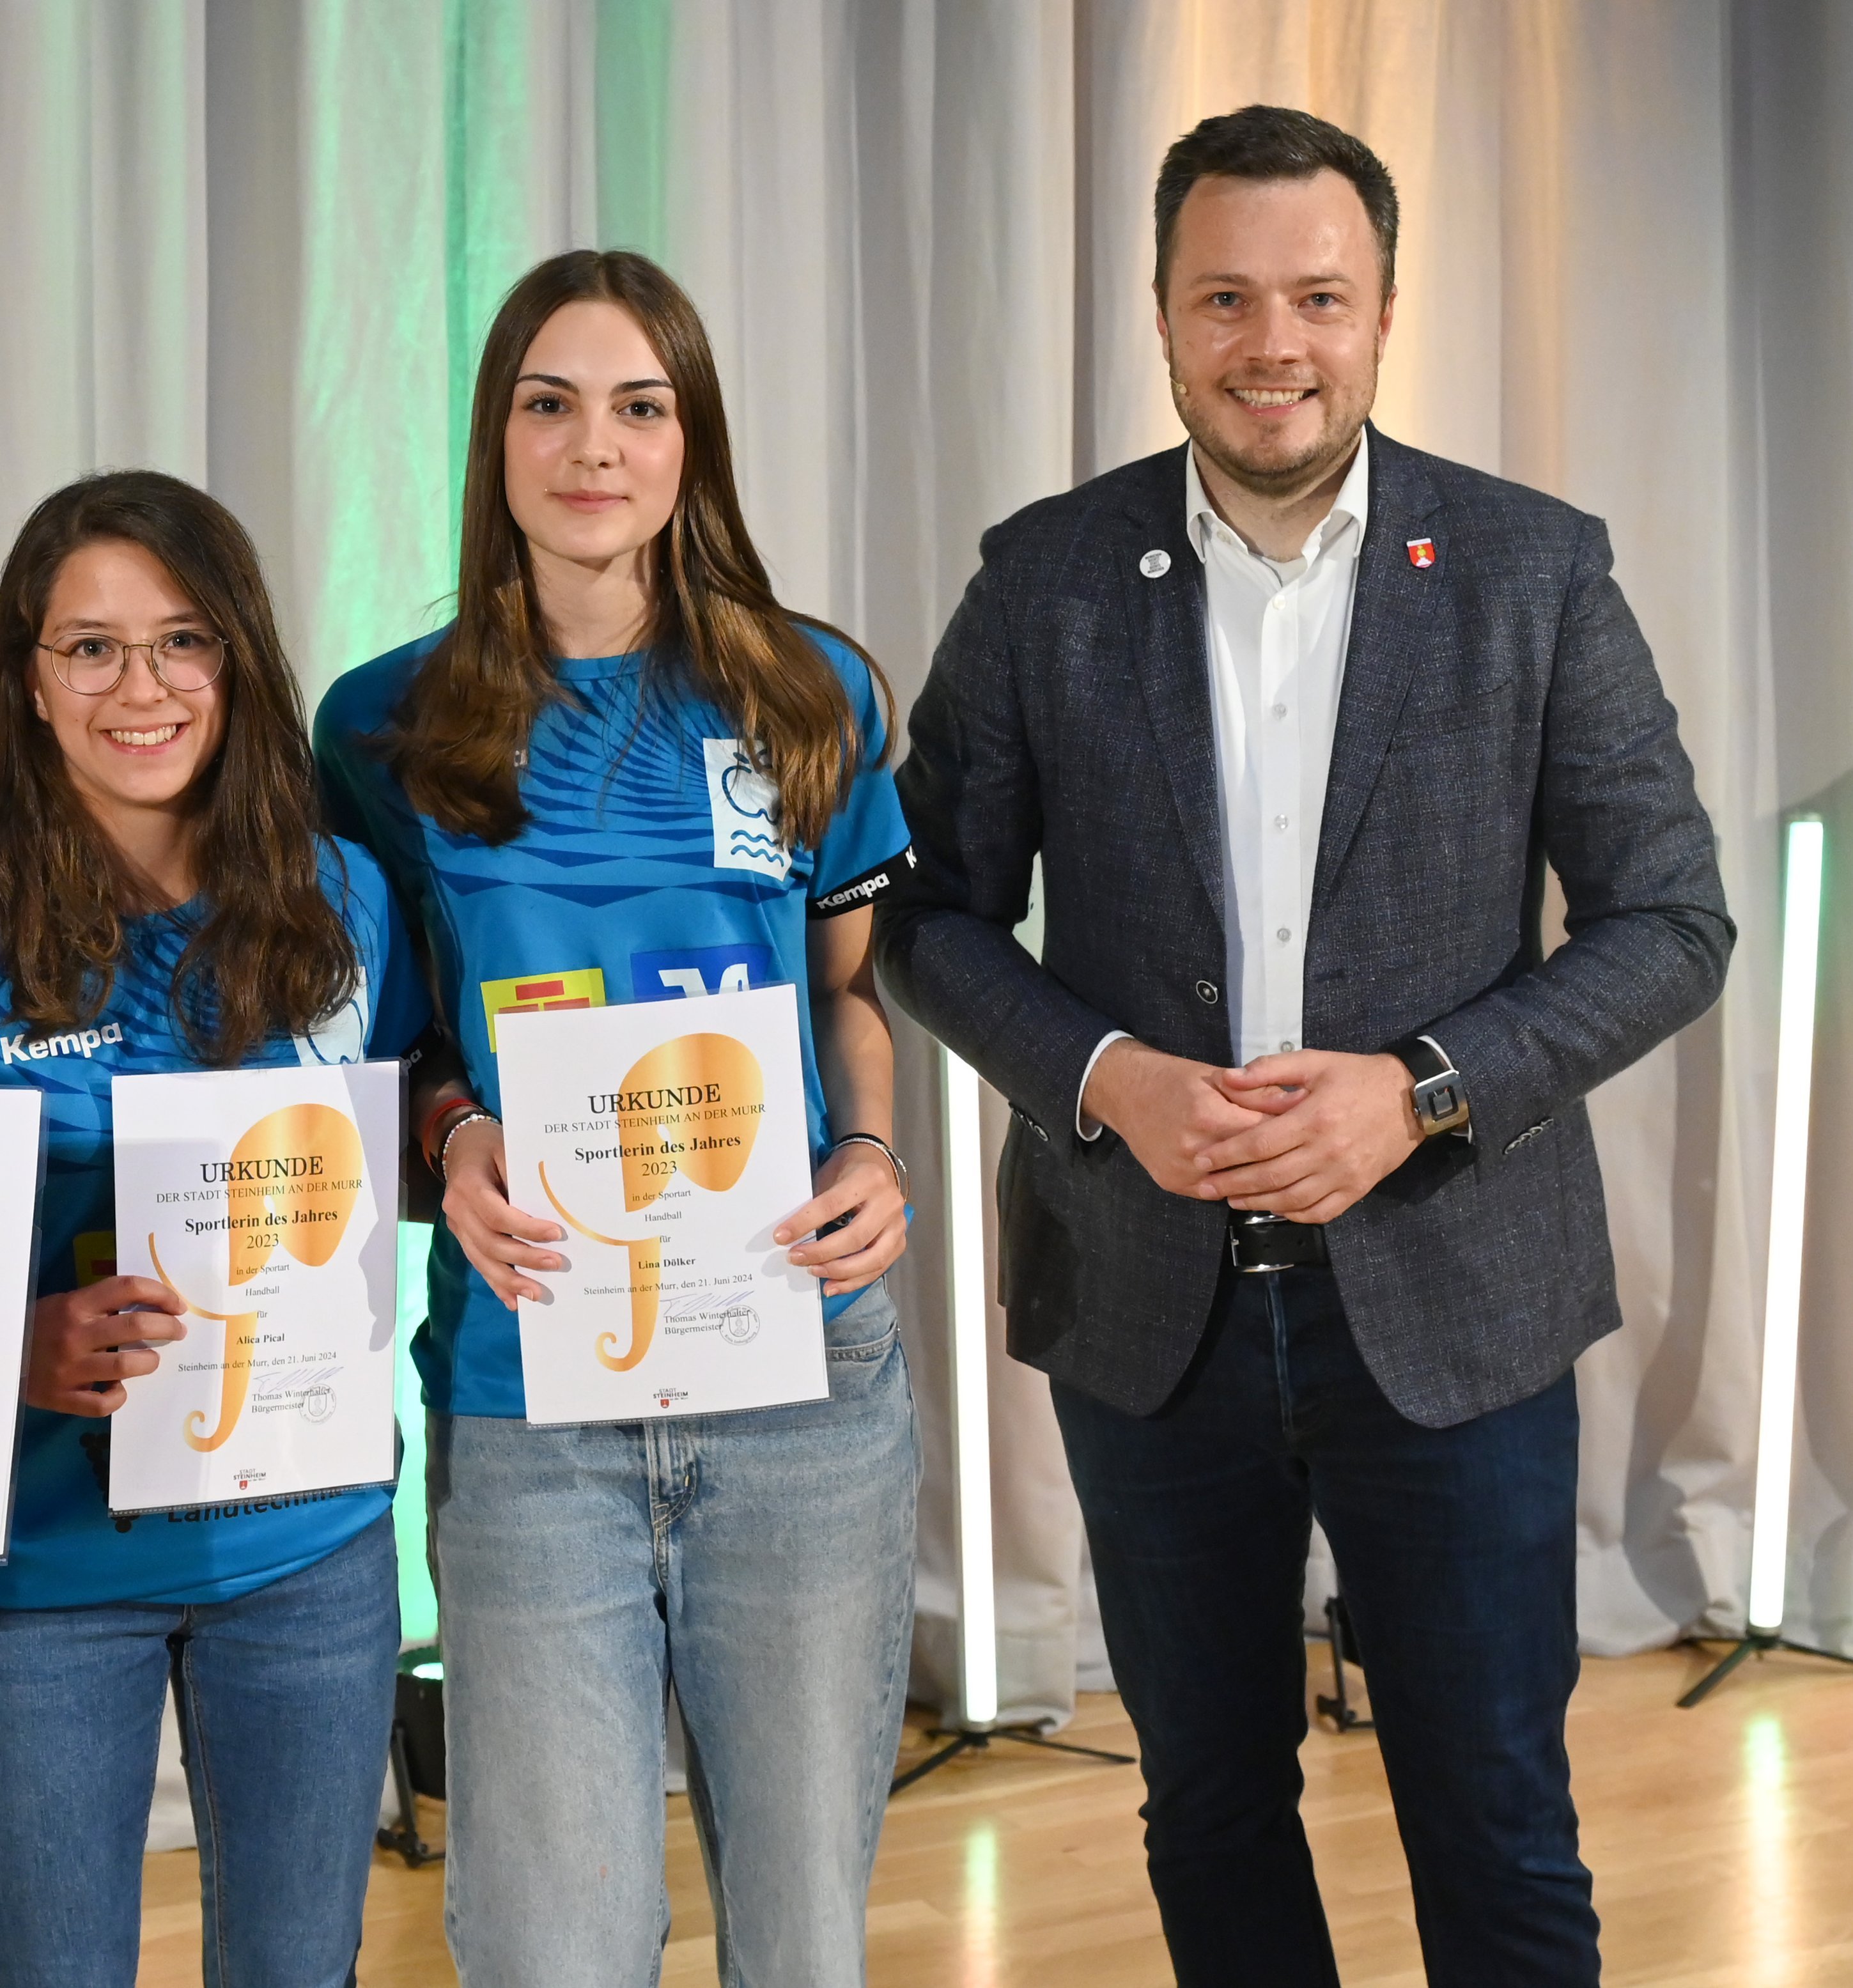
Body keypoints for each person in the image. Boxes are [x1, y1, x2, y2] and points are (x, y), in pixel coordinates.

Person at [878, 105, 1733, 1986]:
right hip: (1142, 1306)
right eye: (1226, 297)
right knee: (1206, 1806)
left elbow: (1673, 920)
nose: (1274, 341)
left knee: (1494, 1811)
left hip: (1456, 1303)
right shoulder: (1041, 581)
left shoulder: (1529, 570)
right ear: (1163, 320)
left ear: (1382, 311)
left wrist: (1417, 1089)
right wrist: (1106, 1076)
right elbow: (918, 913)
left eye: (1318, 297)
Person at [316, 248, 919, 1988]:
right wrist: (446, 1139)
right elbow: (382, 1040)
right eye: (549, 403)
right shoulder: (380, 721)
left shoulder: (811, 692)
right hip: (528, 1397)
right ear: (495, 442)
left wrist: (870, 1156)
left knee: (800, 1934)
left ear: (690, 443)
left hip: (797, 1368)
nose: (595, 445)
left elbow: (845, 997)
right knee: (550, 1940)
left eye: (639, 406)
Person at [0, 470, 428, 1988]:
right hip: (44, 1577)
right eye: (91, 647)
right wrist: (9, 1347)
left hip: (313, 1552)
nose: (140, 687)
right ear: (30, 678)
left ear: (239, 662)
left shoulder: (346, 901)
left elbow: (403, 1125)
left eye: (181, 640)